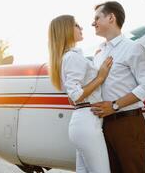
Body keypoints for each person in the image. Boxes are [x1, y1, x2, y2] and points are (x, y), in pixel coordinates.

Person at [91, 1, 145, 173]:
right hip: (104, 124)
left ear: (111, 18)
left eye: (97, 18)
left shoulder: (133, 48)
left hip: (127, 124)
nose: (93, 23)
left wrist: (114, 105)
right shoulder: (99, 53)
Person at [48, 15, 112, 173]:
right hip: (87, 123)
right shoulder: (72, 57)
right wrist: (101, 77)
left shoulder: (69, 57)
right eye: (76, 25)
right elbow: (75, 95)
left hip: (83, 122)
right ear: (66, 30)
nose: (81, 28)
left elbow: (71, 97)